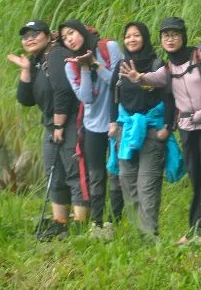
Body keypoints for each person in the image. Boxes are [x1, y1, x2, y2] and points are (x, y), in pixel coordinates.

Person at [122, 17, 201, 244]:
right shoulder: (169, 66)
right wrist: (138, 78)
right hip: (188, 128)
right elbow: (156, 79)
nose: (170, 39)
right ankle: (195, 228)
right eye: (166, 36)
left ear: (183, 36)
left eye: (175, 35)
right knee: (197, 177)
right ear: (161, 40)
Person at [9, 19, 89, 241]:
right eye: (25, 36)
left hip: (70, 121)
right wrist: (25, 71)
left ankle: (81, 225)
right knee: (54, 173)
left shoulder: (55, 54)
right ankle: (60, 223)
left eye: (35, 33)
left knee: (74, 172)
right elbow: (25, 99)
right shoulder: (35, 61)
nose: (30, 39)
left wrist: (59, 125)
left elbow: (63, 91)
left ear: (47, 35)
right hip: (51, 125)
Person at [108, 21, 175, 241]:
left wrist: (167, 126)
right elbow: (113, 96)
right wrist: (112, 123)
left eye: (136, 35)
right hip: (126, 131)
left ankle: (150, 234)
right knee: (127, 181)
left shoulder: (157, 64)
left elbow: (169, 96)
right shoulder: (121, 67)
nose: (131, 40)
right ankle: (140, 231)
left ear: (145, 38)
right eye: (127, 36)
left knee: (147, 184)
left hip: (152, 130)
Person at [58, 19, 124, 239]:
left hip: (117, 121)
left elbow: (119, 82)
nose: (69, 39)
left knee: (116, 172)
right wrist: (85, 68)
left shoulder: (109, 47)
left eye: (72, 33)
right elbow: (85, 98)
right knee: (96, 175)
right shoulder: (71, 66)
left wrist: (95, 63)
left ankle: (115, 220)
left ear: (82, 32)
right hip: (93, 126)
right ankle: (96, 223)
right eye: (65, 38)